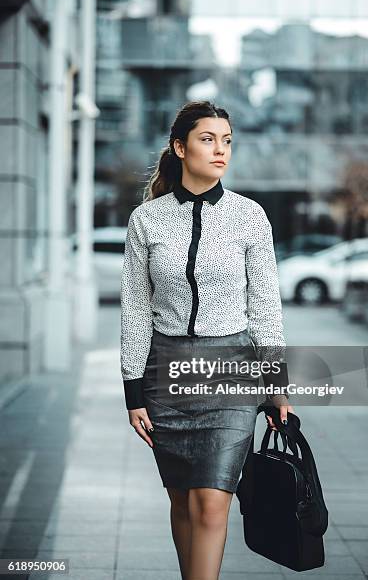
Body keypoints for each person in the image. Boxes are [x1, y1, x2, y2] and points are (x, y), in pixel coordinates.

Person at [120, 100, 295, 580]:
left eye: (227, 141)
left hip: (232, 371)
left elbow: (265, 308)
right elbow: (136, 308)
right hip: (166, 373)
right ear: (180, 147)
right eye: (207, 139)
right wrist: (133, 391)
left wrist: (277, 384)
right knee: (182, 501)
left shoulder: (249, 216)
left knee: (214, 504)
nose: (221, 150)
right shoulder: (147, 221)